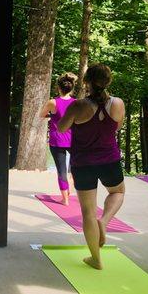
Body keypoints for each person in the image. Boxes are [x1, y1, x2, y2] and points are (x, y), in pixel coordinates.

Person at [58, 63, 125, 270]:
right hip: (109, 160)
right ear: (108, 81)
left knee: (88, 212)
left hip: (83, 163)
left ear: (86, 81)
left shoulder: (78, 106)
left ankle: (96, 259)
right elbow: (117, 126)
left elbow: (61, 129)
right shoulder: (118, 103)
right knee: (118, 192)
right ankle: (104, 222)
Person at [39, 73, 78, 205]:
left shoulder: (53, 102)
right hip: (74, 140)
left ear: (58, 88)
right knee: (76, 169)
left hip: (57, 140)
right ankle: (69, 191)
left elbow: (41, 115)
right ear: (71, 88)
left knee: (61, 171)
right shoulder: (76, 103)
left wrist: (52, 115)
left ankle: (65, 199)